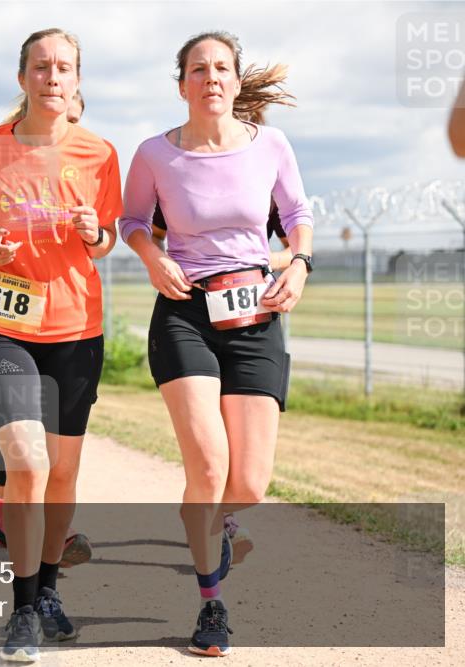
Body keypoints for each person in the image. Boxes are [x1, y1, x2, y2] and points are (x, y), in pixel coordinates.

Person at [119, 31, 314, 657]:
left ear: (235, 80)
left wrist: (300, 263)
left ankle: (216, 521)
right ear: (182, 85)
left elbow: (298, 212)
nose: (211, 78)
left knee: (249, 484)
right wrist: (151, 256)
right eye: (198, 70)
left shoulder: (271, 146)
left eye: (222, 68)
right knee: (206, 468)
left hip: (254, 312)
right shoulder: (154, 153)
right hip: (184, 313)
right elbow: (130, 222)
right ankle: (210, 604)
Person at [0, 29, 122, 662]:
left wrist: (98, 232)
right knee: (28, 463)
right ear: (22, 78)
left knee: (63, 474)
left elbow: (105, 241)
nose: (52, 76)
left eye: (64, 67)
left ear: (76, 81)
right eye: (41, 67)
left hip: (75, 327)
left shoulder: (99, 153)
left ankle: (46, 589)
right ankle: (22, 612)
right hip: (2, 323)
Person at [0, 89, 93, 570]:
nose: (66, 121)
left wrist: (93, 231)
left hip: (66, 320)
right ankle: (1, 491)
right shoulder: (0, 156)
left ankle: (54, 537)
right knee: (22, 435)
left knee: (55, 448)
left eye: (74, 116)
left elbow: (103, 235)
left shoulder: (84, 164)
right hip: (7, 313)